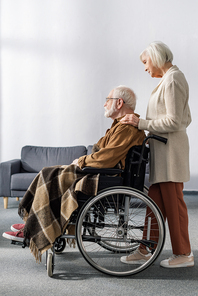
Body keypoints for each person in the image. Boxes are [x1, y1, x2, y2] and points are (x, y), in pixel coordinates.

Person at [2, 85, 145, 262]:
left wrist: (82, 161)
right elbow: (100, 148)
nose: (104, 105)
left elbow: (107, 158)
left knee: (49, 174)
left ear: (119, 103)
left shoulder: (127, 128)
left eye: (107, 100)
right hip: (103, 172)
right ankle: (32, 223)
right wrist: (86, 159)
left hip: (107, 177)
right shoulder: (119, 126)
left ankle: (32, 228)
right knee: (50, 173)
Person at [120, 41, 194, 268]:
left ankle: (184, 254)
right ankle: (145, 249)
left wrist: (141, 122)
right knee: (154, 203)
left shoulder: (173, 79)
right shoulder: (168, 79)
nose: (145, 68)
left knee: (174, 205)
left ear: (155, 57)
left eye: (145, 62)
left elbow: (175, 121)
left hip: (171, 153)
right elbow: (186, 117)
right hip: (163, 151)